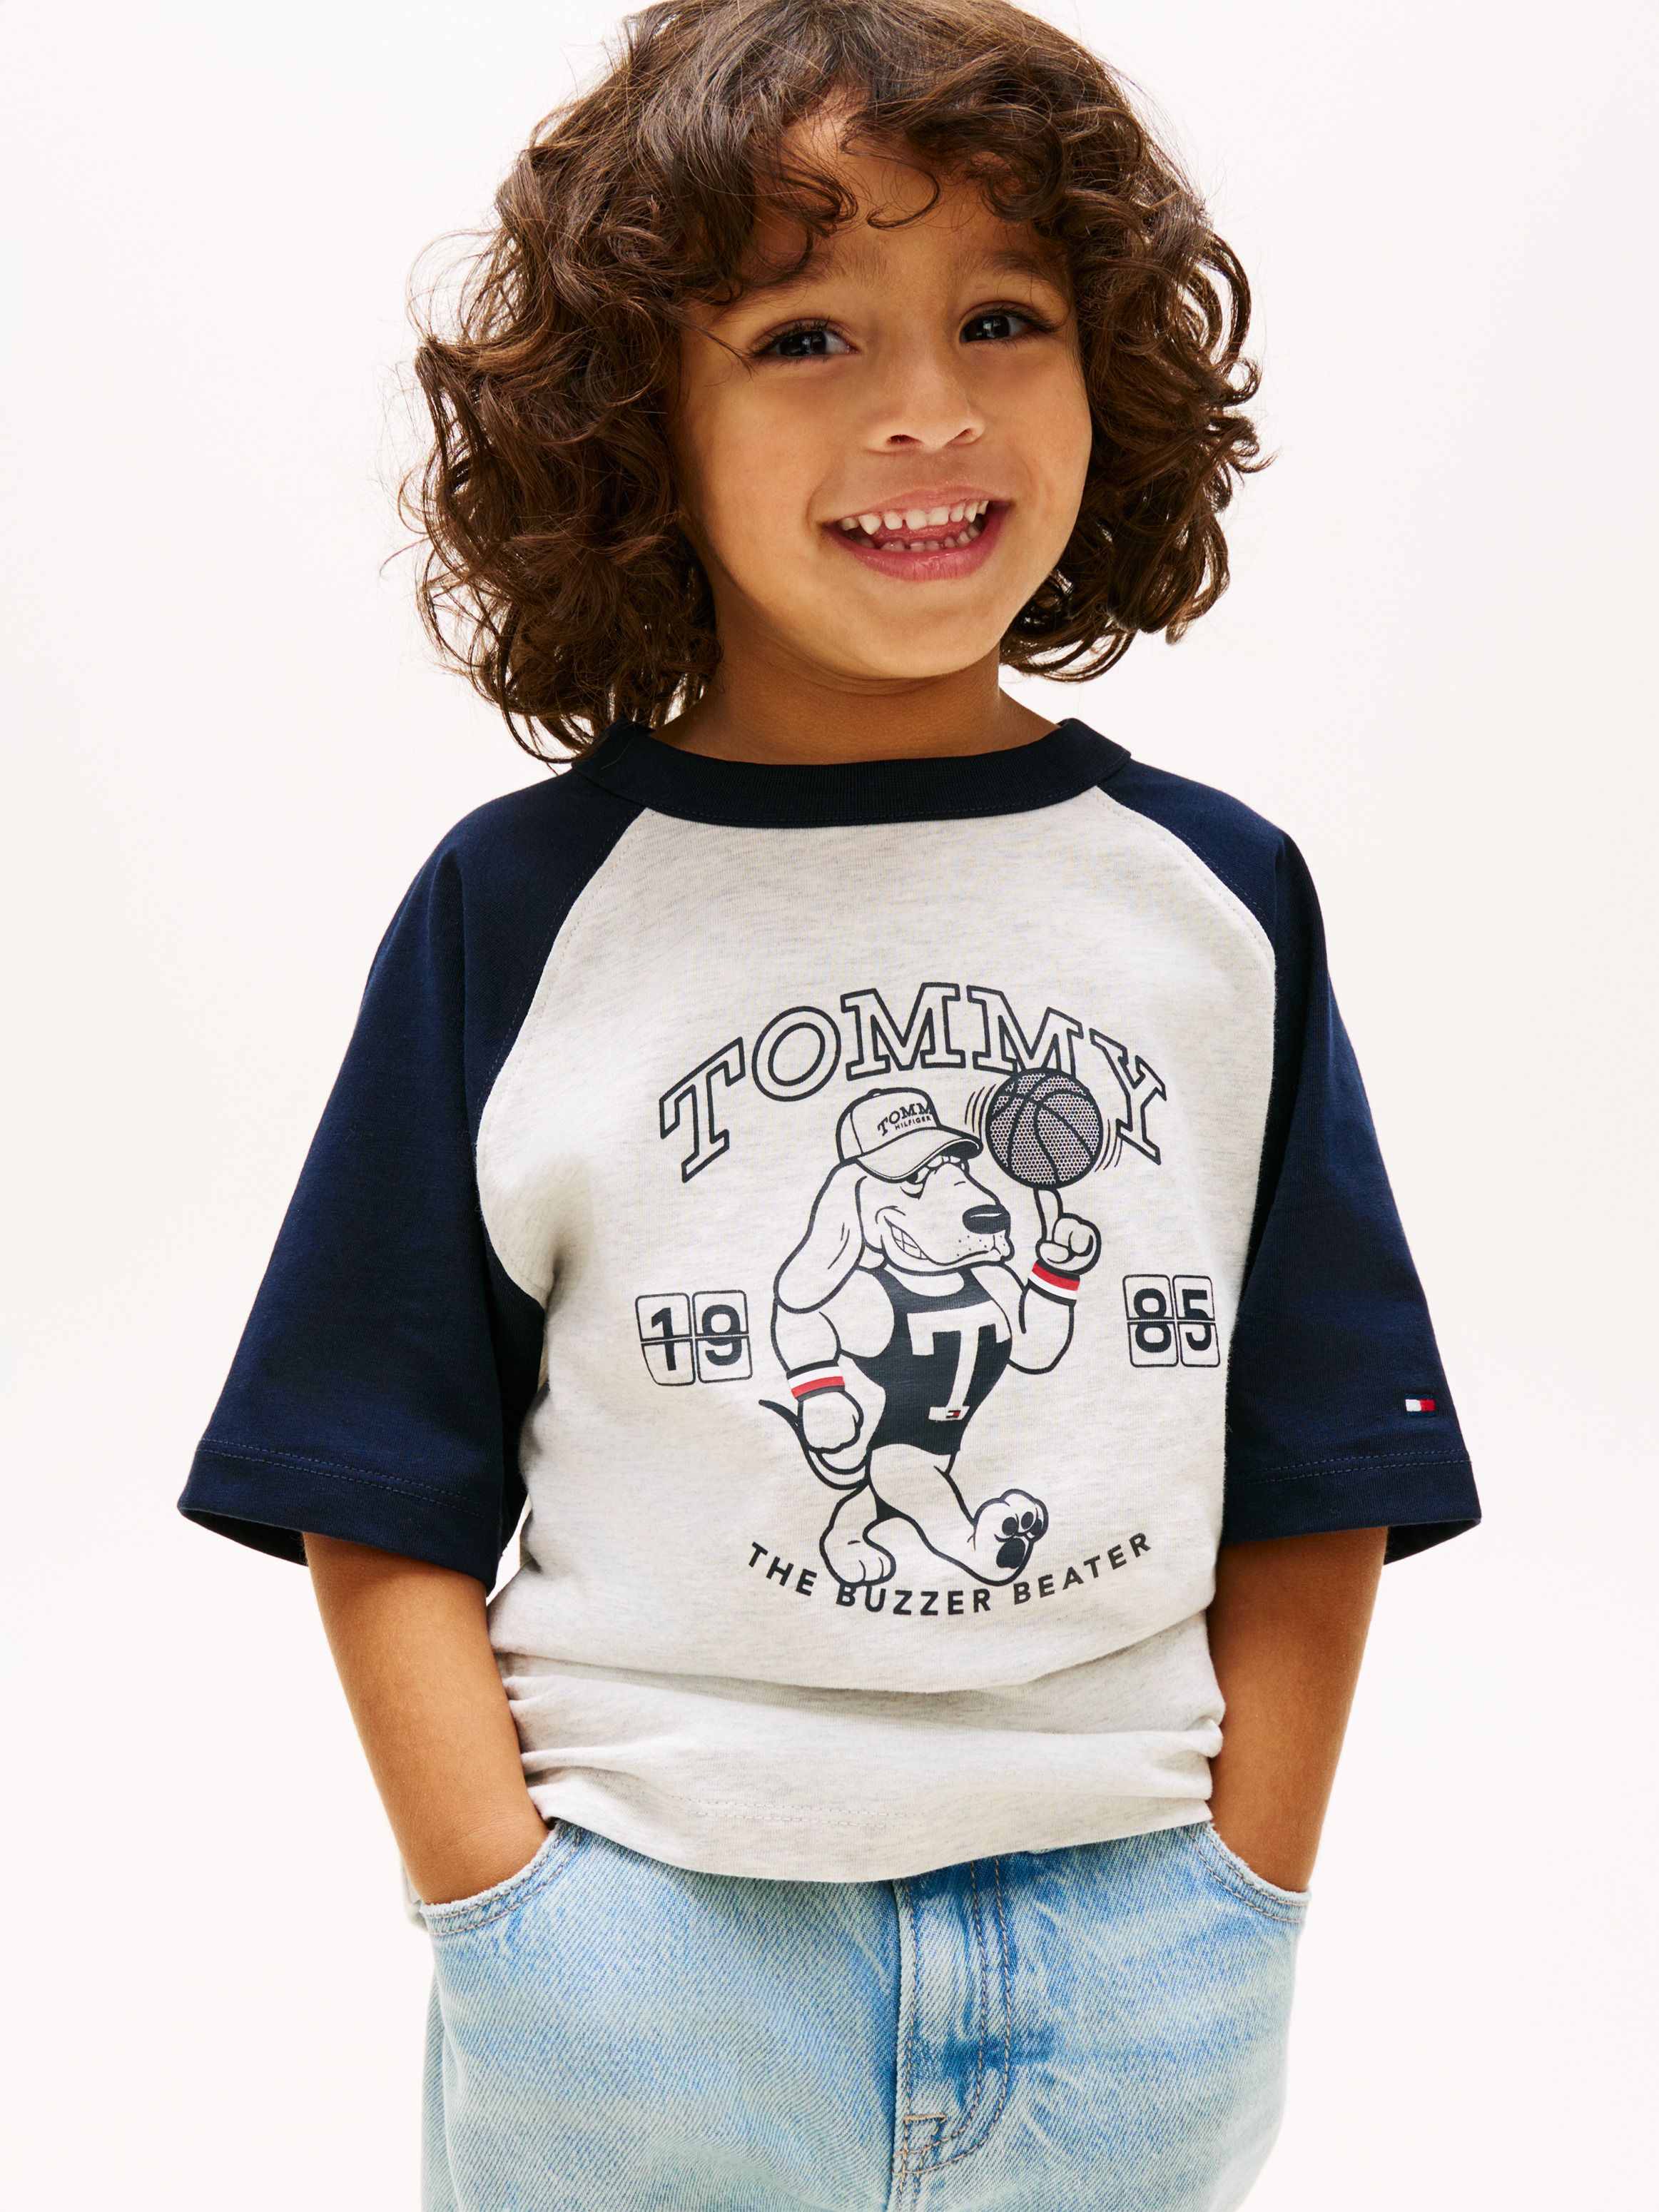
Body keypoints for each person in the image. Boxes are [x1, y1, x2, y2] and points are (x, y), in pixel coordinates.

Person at [178, 2, 1481, 2205]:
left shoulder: (1214, 903)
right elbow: (371, 1461)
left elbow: (1324, 1443)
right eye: (805, 334)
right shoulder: (525, 912)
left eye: (1004, 316)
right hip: (651, 1962)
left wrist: (1246, 1882)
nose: (928, 408)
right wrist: (510, 1909)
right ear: (639, 422)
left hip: (1135, 1946)